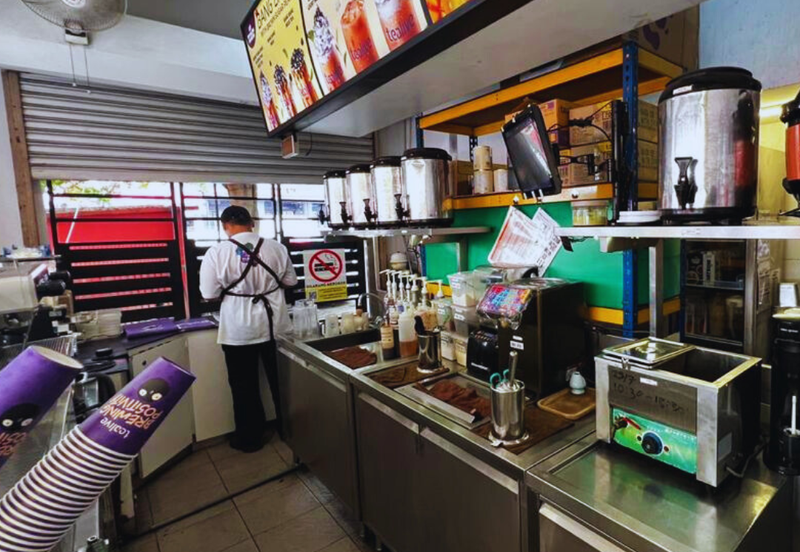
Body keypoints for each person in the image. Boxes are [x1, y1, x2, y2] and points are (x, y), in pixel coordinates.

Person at [199, 206, 298, 452]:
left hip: (239, 330)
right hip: (275, 324)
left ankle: (249, 439)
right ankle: (293, 433)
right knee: (282, 382)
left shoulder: (217, 252)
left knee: (244, 387)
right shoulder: (277, 247)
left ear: (225, 226)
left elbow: (208, 293)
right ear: (251, 223)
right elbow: (291, 282)